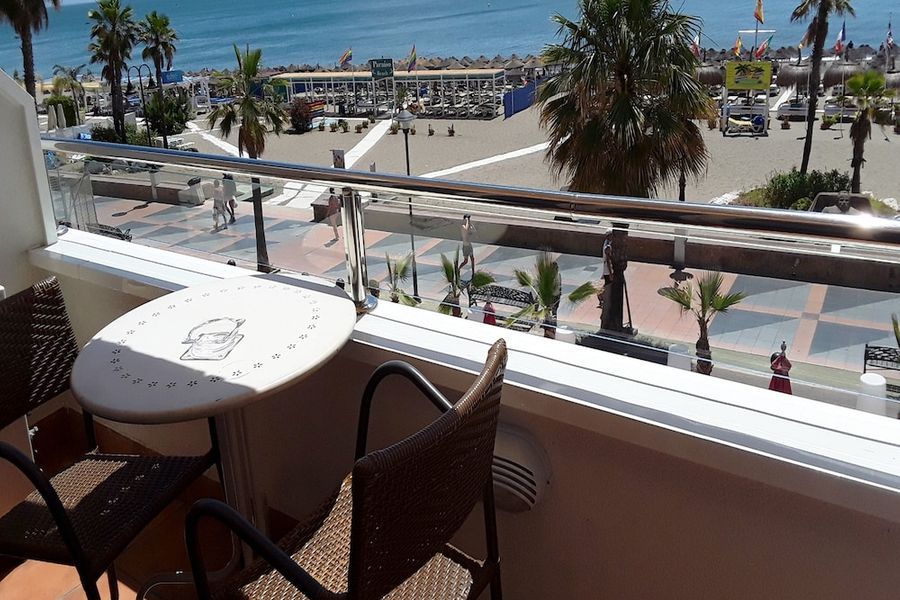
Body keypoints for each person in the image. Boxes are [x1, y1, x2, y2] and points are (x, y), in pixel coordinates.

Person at [596, 236, 613, 308]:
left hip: (606, 270)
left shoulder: (606, 242)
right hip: (608, 270)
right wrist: (611, 273)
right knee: (608, 285)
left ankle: (601, 296)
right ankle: (600, 295)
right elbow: (608, 260)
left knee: (607, 284)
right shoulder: (608, 247)